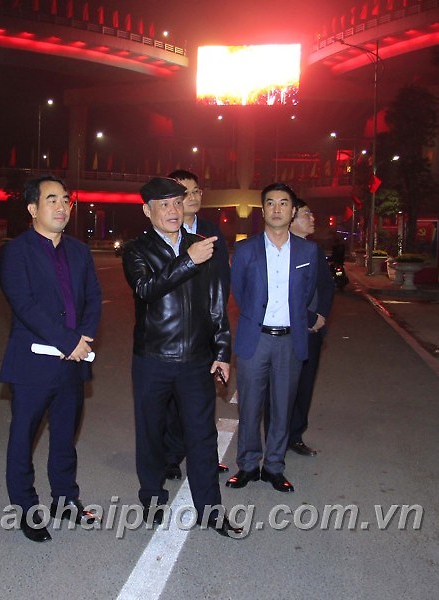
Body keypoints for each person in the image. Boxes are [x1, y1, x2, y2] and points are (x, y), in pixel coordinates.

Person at [121, 176, 239, 536]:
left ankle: (210, 510)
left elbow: (217, 303)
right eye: (164, 204)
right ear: (148, 210)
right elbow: (146, 289)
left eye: (177, 202)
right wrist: (188, 261)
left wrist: (222, 351)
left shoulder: (202, 245)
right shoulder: (137, 250)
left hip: (195, 360)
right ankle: (152, 498)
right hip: (153, 359)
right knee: (151, 433)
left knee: (202, 436)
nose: (173, 210)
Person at [0, 175, 103, 543]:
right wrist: (68, 340)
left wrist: (83, 337)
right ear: (33, 208)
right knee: (23, 438)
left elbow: (93, 297)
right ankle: (26, 508)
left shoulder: (79, 251)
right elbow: (24, 305)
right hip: (33, 364)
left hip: (73, 362)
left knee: (65, 435)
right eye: (52, 200)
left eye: (65, 200)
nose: (61, 207)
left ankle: (65, 498)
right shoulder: (17, 251)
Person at [225, 183, 323, 494]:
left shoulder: (308, 251)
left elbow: (308, 292)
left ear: (292, 211)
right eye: (270, 203)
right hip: (256, 338)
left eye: (283, 203)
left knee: (283, 407)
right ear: (263, 209)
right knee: (249, 406)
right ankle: (247, 465)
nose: (277, 208)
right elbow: (239, 292)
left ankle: (274, 467)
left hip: (290, 341)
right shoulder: (245, 250)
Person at [162, 169, 231, 481]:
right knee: (173, 401)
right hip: (171, 331)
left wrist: (218, 326)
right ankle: (171, 456)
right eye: (184, 192)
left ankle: (204, 457)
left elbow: (222, 281)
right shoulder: (163, 230)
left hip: (204, 328)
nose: (192, 197)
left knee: (203, 398)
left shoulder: (212, 232)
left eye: (196, 191)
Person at [272, 198, 334, 456]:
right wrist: (307, 318)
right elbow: (282, 293)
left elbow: (327, 286)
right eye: (307, 214)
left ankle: (295, 435)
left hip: (312, 331)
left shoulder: (314, 250)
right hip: (287, 329)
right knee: (279, 387)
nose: (312, 218)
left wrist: (321, 316)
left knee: (305, 385)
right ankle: (276, 435)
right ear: (292, 217)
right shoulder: (280, 249)